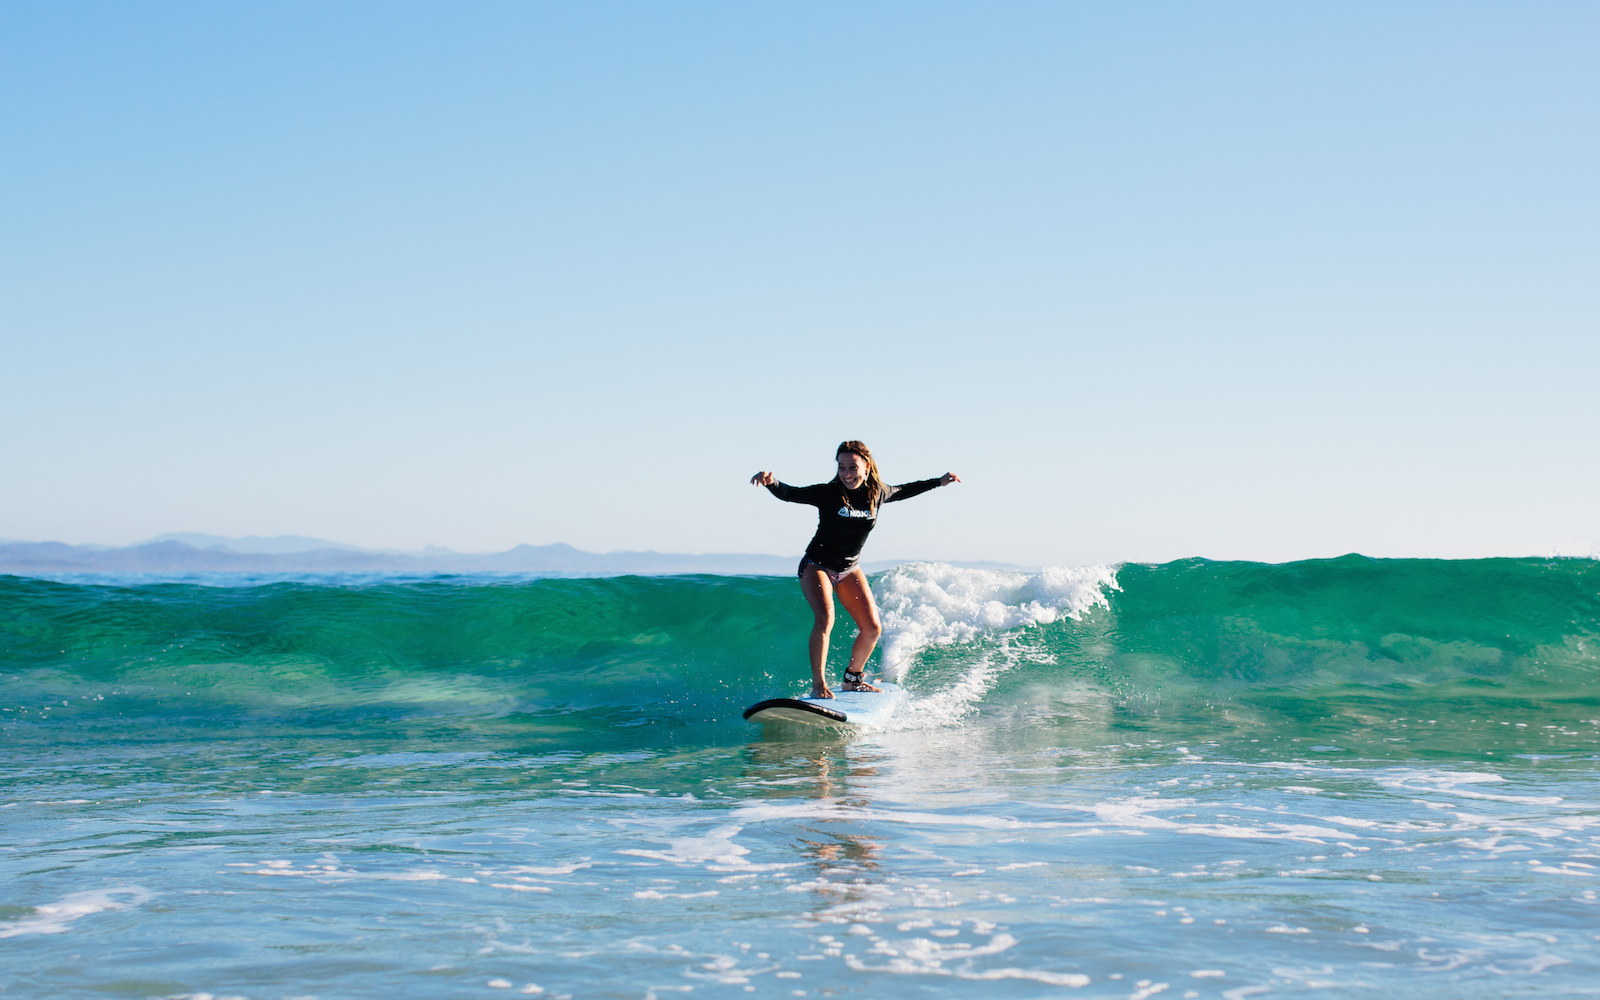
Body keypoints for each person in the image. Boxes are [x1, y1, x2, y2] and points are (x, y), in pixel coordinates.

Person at [750, 440, 961, 699]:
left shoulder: (878, 493)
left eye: (852, 467)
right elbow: (793, 493)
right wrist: (772, 483)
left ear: (867, 466)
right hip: (818, 565)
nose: (847, 474)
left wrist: (938, 482)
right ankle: (819, 685)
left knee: (872, 628)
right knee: (825, 618)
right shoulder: (829, 493)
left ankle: (853, 679)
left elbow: (905, 490)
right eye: (841, 468)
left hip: (850, 568)